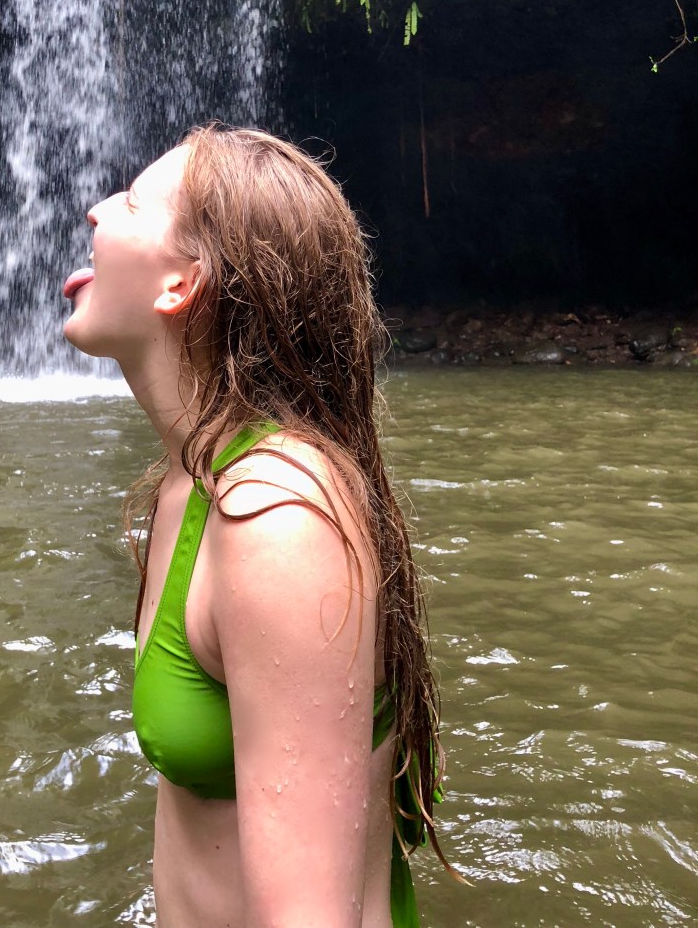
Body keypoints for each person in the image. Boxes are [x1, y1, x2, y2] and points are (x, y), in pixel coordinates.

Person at [62, 124, 449, 928]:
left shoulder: (277, 517)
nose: (96, 210)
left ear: (181, 285)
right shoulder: (191, 478)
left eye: (131, 201)